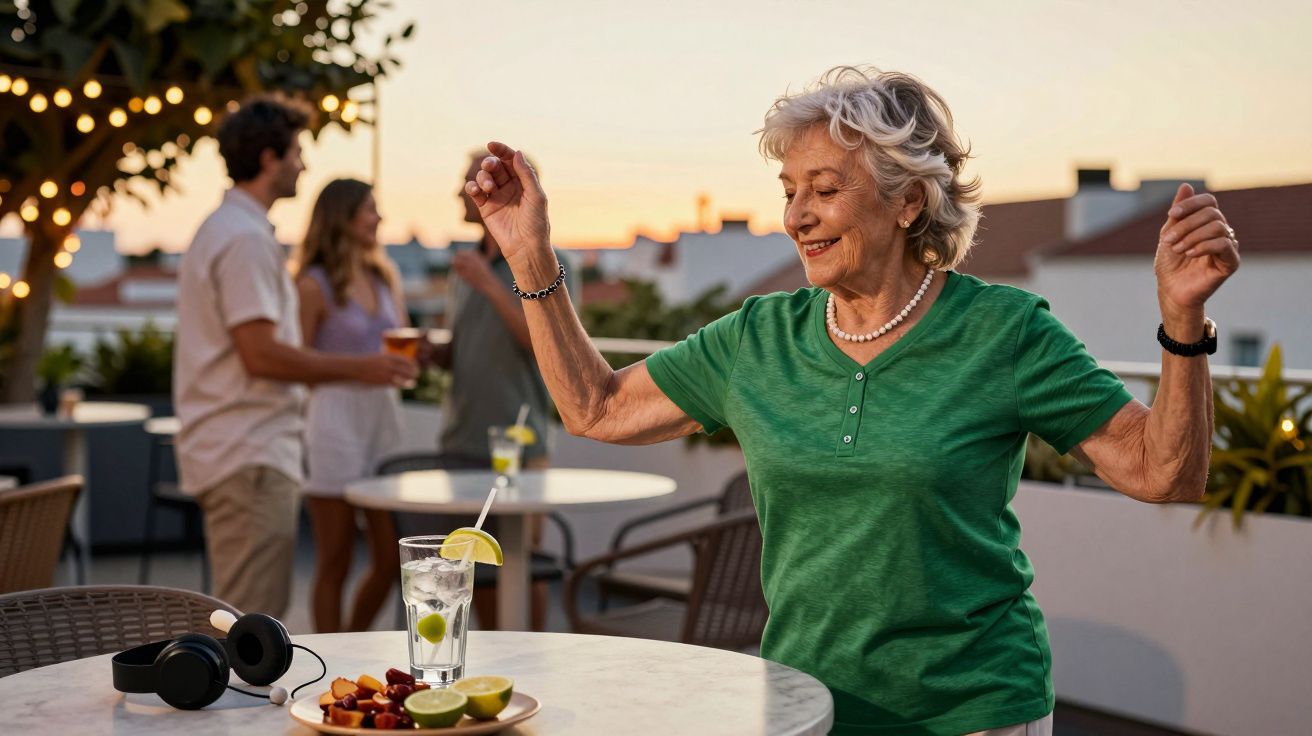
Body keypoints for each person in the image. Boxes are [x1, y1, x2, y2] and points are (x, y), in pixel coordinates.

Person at [460, 66, 1239, 735]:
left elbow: (1161, 471)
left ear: (906, 204)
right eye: (791, 190)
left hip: (973, 710)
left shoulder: (1003, 331)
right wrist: (531, 252)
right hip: (807, 704)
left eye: (826, 190)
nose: (797, 215)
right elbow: (595, 407)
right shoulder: (756, 338)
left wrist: (1182, 323)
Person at [174, 97, 417, 619]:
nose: (303, 165)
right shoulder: (244, 241)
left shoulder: (232, 231)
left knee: (243, 615)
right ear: (269, 158)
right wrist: (364, 368)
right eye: (297, 152)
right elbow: (260, 356)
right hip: (250, 453)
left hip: (244, 451)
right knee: (249, 624)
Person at [424, 153, 576, 631]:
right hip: (461, 438)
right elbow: (469, 345)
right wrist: (435, 353)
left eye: (468, 182)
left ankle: (531, 659)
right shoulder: (465, 267)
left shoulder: (548, 264)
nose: (458, 193)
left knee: (520, 562)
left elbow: (541, 344)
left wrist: (489, 284)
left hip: (519, 439)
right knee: (471, 567)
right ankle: (491, 656)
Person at [294, 178, 410, 632]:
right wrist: (363, 367)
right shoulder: (311, 285)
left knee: (390, 559)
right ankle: (330, 656)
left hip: (382, 418)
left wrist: (409, 358)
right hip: (333, 420)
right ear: (342, 217)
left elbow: (393, 344)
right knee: (335, 558)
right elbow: (299, 364)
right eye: (370, 210)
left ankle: (352, 638)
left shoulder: (384, 276)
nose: (378, 218)